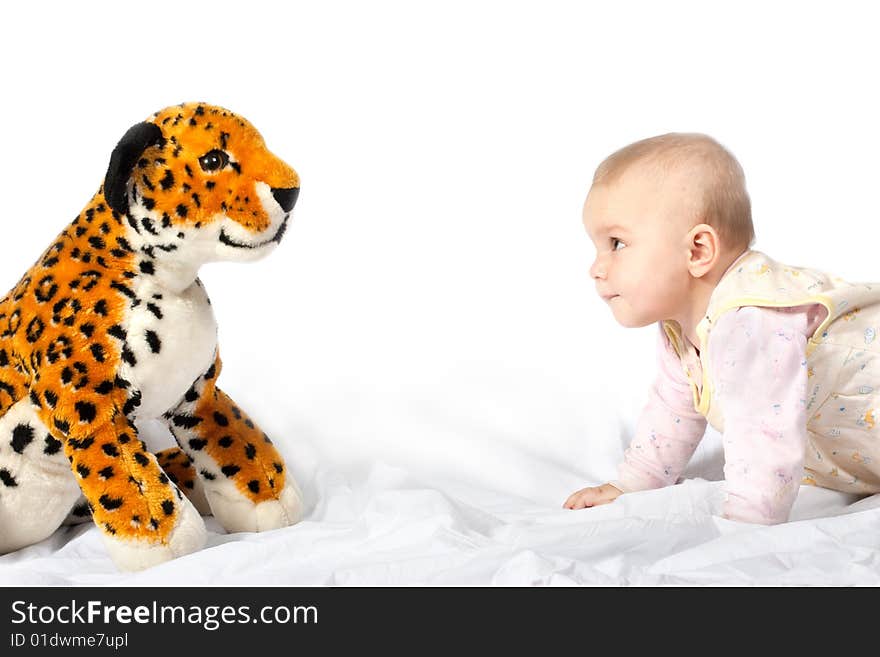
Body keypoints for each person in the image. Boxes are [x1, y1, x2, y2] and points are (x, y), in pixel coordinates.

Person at [564, 133, 880, 524]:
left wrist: (747, 522)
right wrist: (632, 486)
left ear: (698, 250)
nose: (596, 267)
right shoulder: (682, 334)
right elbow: (670, 414)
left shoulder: (750, 319)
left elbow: (763, 437)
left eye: (616, 243)